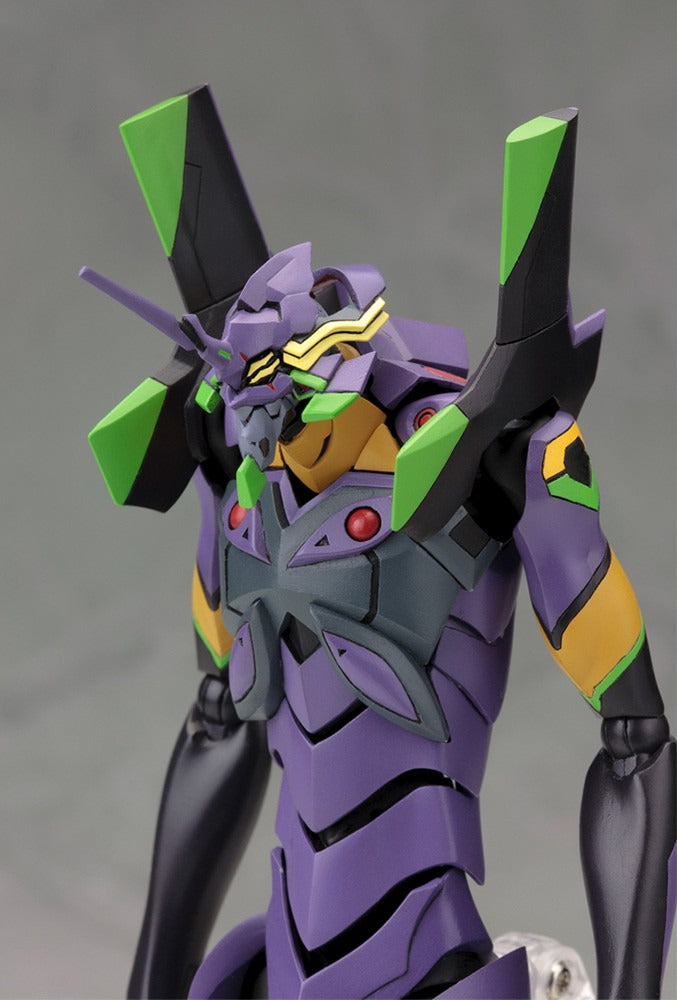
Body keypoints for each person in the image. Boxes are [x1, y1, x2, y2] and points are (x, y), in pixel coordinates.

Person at [85, 87, 675, 999]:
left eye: (288, 408)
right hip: (277, 970)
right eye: (251, 413)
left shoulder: (491, 466)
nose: (271, 443)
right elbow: (216, 723)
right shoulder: (242, 489)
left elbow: (635, 740)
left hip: (431, 968)